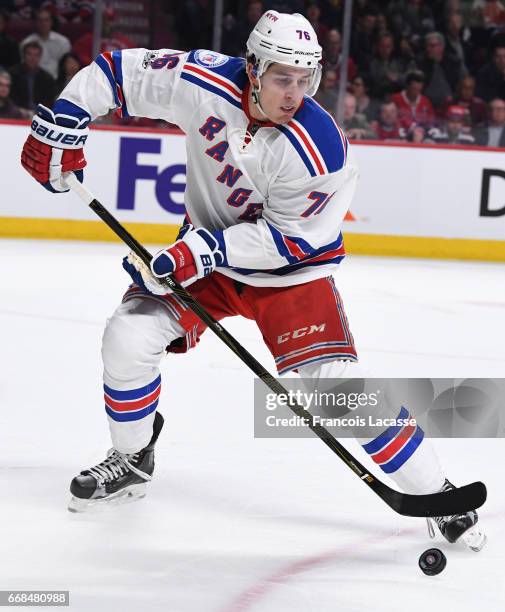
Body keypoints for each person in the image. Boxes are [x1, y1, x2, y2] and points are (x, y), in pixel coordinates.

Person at [20, 10, 484, 550]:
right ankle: (132, 457)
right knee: (127, 337)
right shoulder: (202, 81)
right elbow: (116, 72)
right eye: (282, 76)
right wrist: (67, 118)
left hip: (291, 275)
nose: (294, 92)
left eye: (304, 78)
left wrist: (204, 249)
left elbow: (292, 239)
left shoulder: (320, 145)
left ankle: (437, 494)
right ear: (253, 68)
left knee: (338, 391)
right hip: (207, 261)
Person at [20, 8, 71, 79]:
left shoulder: (63, 42)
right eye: (40, 20)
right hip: (33, 82)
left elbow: (67, 66)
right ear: (35, 22)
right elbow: (23, 66)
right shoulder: (26, 43)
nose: (43, 23)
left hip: (57, 82)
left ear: (51, 22)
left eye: (46, 20)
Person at [9, 40, 56, 111]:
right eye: (29, 54)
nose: (32, 58)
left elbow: (48, 101)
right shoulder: (13, 74)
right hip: (17, 113)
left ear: (40, 57)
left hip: (39, 114)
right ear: (24, 55)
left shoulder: (47, 78)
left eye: (36, 55)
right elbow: (10, 99)